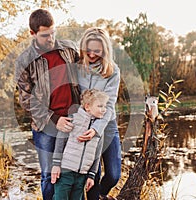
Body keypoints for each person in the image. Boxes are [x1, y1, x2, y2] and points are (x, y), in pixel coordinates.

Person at [14, 9, 80, 200]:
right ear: (32, 34)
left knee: (76, 174)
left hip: (74, 121)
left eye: (53, 33)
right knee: (49, 176)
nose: (51, 39)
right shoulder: (24, 60)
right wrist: (54, 118)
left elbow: (88, 74)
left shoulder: (69, 49)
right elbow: (26, 99)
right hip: (45, 127)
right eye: (45, 35)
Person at [77, 27, 121, 200]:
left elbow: (109, 105)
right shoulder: (78, 68)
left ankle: (102, 195)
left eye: (97, 51)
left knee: (113, 174)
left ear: (105, 50)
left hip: (107, 126)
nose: (92, 54)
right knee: (92, 178)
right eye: (89, 50)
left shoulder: (112, 71)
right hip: (84, 126)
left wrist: (96, 129)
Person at [51, 89, 109, 200]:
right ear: (87, 107)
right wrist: (56, 164)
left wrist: (91, 175)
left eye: (105, 106)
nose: (104, 110)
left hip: (82, 175)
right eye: (100, 106)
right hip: (65, 171)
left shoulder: (98, 130)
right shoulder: (73, 120)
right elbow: (60, 142)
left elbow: (97, 155)